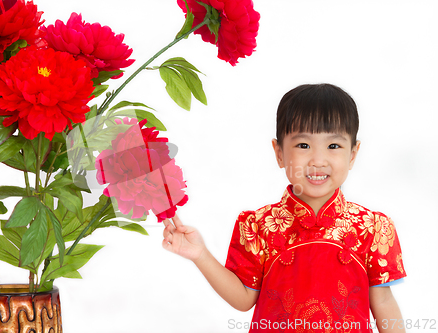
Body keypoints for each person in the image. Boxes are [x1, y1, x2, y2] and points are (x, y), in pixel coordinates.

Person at [162, 84, 407, 333]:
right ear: (279, 152)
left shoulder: (374, 228)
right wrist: (200, 255)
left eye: (333, 146)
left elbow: (383, 301)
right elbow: (243, 299)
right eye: (303, 145)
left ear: (353, 154)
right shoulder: (258, 225)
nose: (318, 161)